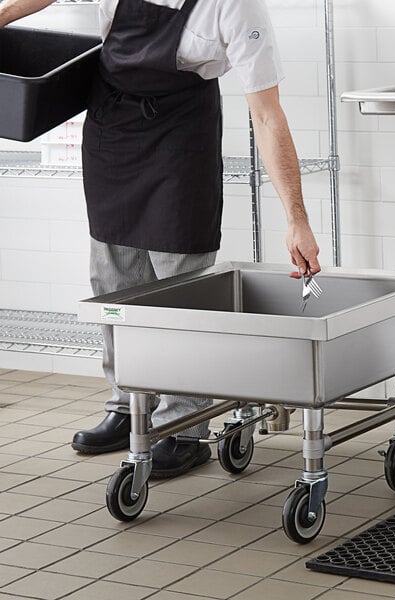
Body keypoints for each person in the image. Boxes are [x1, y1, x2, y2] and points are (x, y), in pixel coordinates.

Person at [0, 0, 320, 478]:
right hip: (113, 128)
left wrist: (297, 218)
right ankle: (128, 404)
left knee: (180, 292)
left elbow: (269, 116)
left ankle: (183, 426)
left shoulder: (235, 7)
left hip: (179, 139)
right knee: (111, 280)